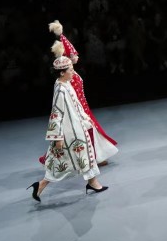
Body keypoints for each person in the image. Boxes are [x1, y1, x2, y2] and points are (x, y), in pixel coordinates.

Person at [28, 56, 108, 202]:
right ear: (62, 73)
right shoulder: (60, 90)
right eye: (70, 70)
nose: (73, 72)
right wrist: (58, 136)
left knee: (84, 154)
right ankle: (41, 184)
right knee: (64, 160)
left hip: (77, 126)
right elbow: (56, 113)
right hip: (69, 131)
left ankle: (92, 182)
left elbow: (76, 103)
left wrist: (85, 118)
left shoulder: (65, 84)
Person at [46, 20, 118, 165]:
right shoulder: (66, 78)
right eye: (74, 54)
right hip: (75, 110)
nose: (77, 56)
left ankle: (95, 157)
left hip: (82, 107)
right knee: (83, 131)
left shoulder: (71, 73)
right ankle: (91, 158)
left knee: (90, 129)